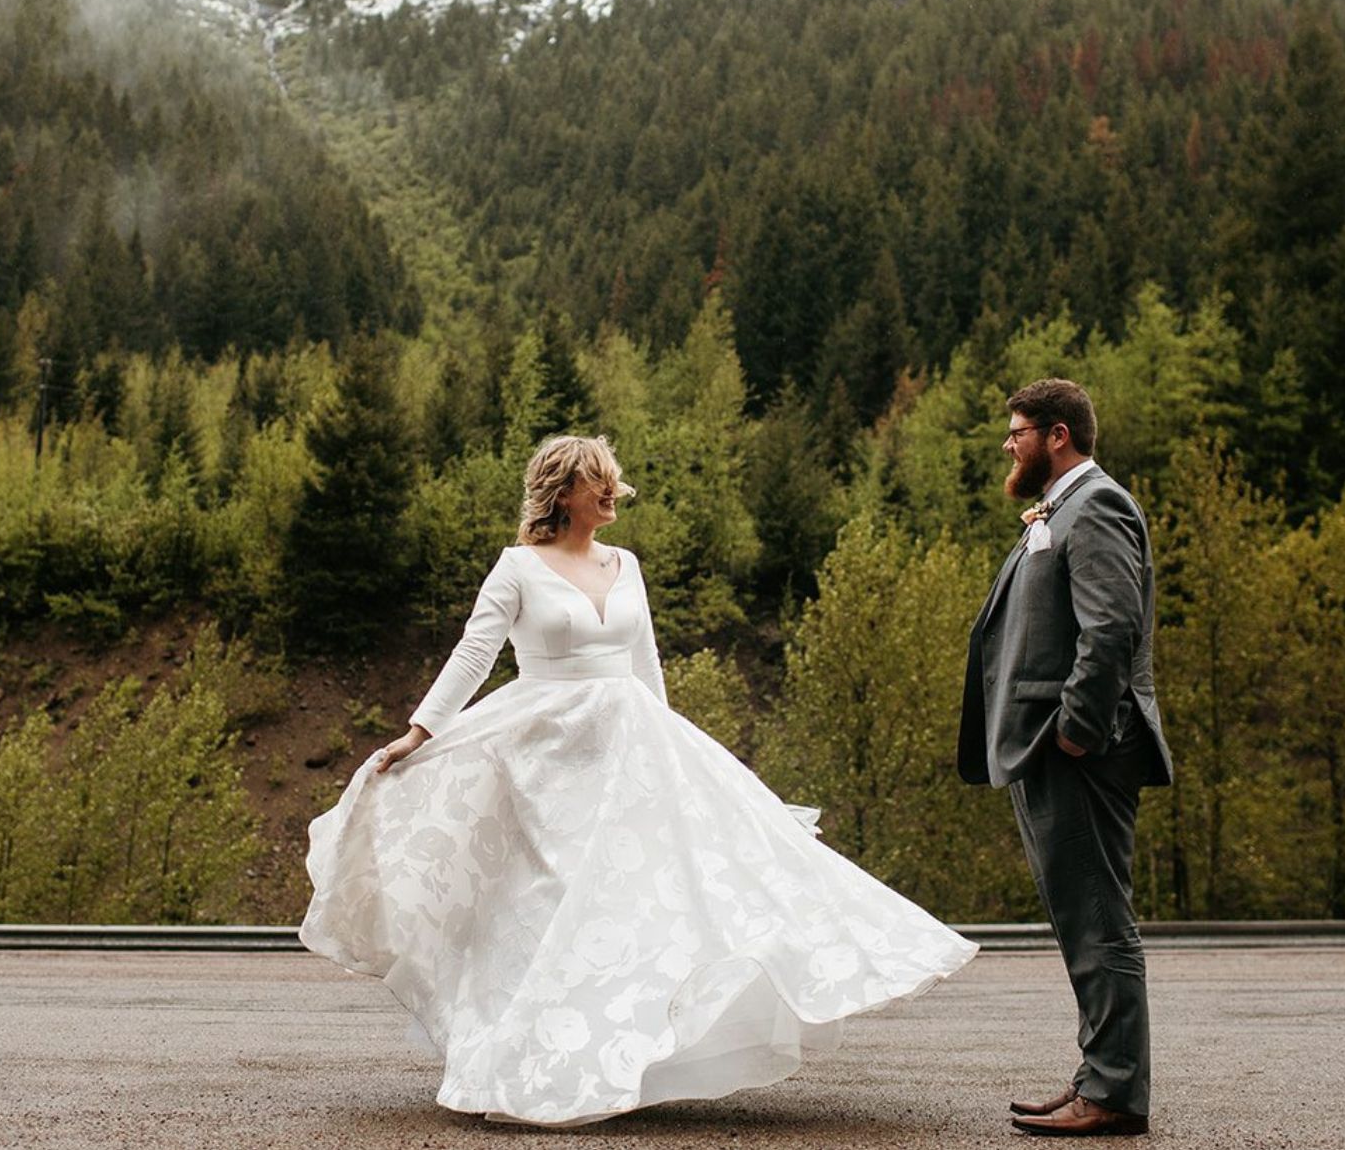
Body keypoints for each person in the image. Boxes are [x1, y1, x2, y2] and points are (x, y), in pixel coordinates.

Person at [299, 433, 976, 1127]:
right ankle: (536, 1059)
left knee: (635, 900)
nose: (613, 492)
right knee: (551, 904)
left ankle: (618, 1056)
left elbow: (645, 664)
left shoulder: (627, 565)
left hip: (627, 746)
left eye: (613, 481)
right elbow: (476, 652)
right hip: (543, 753)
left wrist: (675, 751)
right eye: (600, 481)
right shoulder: (517, 568)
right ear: (562, 491)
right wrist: (422, 731)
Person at [958, 379, 1173, 1138]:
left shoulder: (1099, 504)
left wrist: (1075, 730)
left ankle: (1114, 1091)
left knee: (1099, 919)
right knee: (1080, 920)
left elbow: (1110, 629)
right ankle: (1098, 1075)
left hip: (1079, 748)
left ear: (1057, 434)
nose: (1007, 444)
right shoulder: (1061, 507)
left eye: (1016, 431)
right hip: (1049, 746)